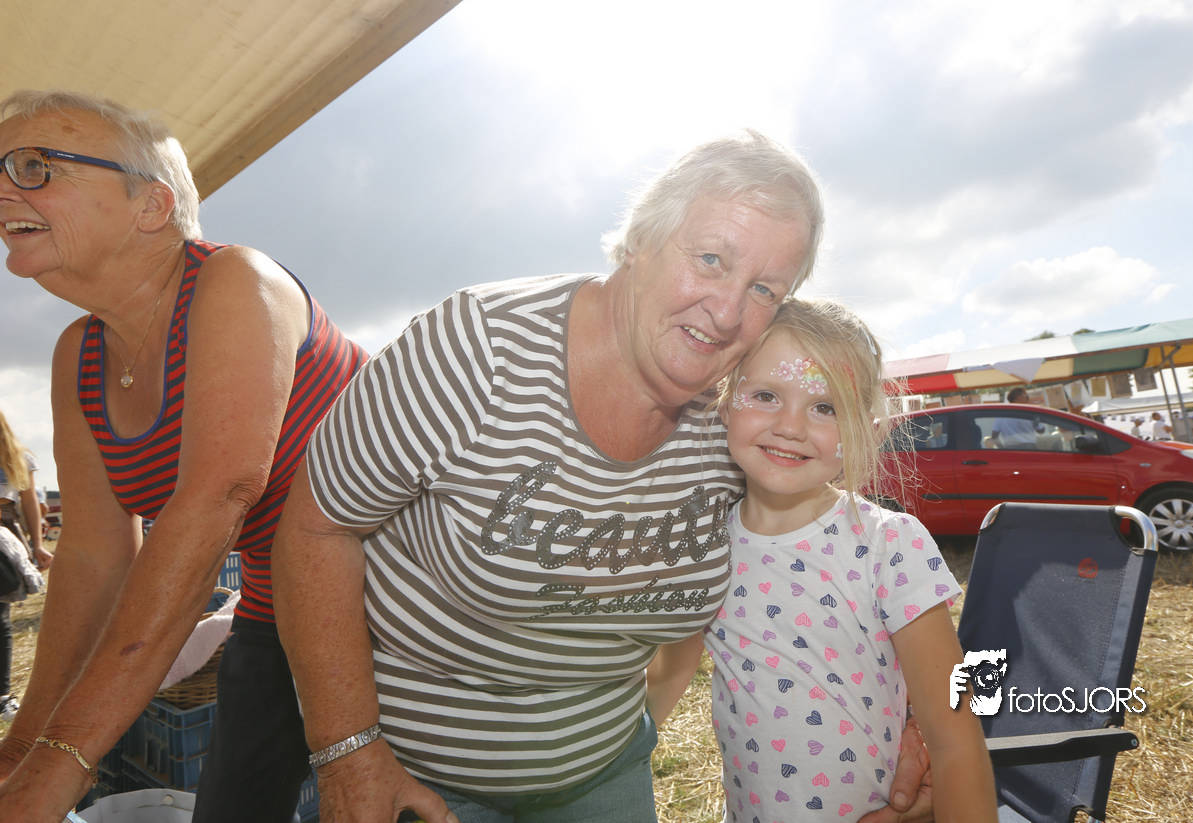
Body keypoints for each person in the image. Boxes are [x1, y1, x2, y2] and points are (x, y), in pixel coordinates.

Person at [272, 131, 932, 823]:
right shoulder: (476, 349)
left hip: (607, 774)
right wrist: (347, 751)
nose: (728, 312)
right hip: (426, 783)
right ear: (641, 238)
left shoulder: (741, 405)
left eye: (765, 288)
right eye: (710, 259)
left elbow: (862, 575)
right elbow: (316, 526)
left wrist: (929, 729)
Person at [0, 90, 368, 822]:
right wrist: (22, 749)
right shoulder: (79, 353)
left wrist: (61, 761)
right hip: (276, 604)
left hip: (411, 593)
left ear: (152, 204)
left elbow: (218, 495)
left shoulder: (236, 280)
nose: (5, 188)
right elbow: (93, 557)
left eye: (34, 166)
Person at [691, 298, 996, 821]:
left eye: (825, 407)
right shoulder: (706, 547)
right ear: (724, 404)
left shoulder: (888, 545)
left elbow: (955, 740)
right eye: (765, 395)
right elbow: (663, 676)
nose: (790, 426)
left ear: (866, 430)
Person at [0, 409, 52, 721]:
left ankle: (2, 696)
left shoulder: (19, 457)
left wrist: (37, 545)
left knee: (1, 615)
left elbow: (30, 502)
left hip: (3, 534)